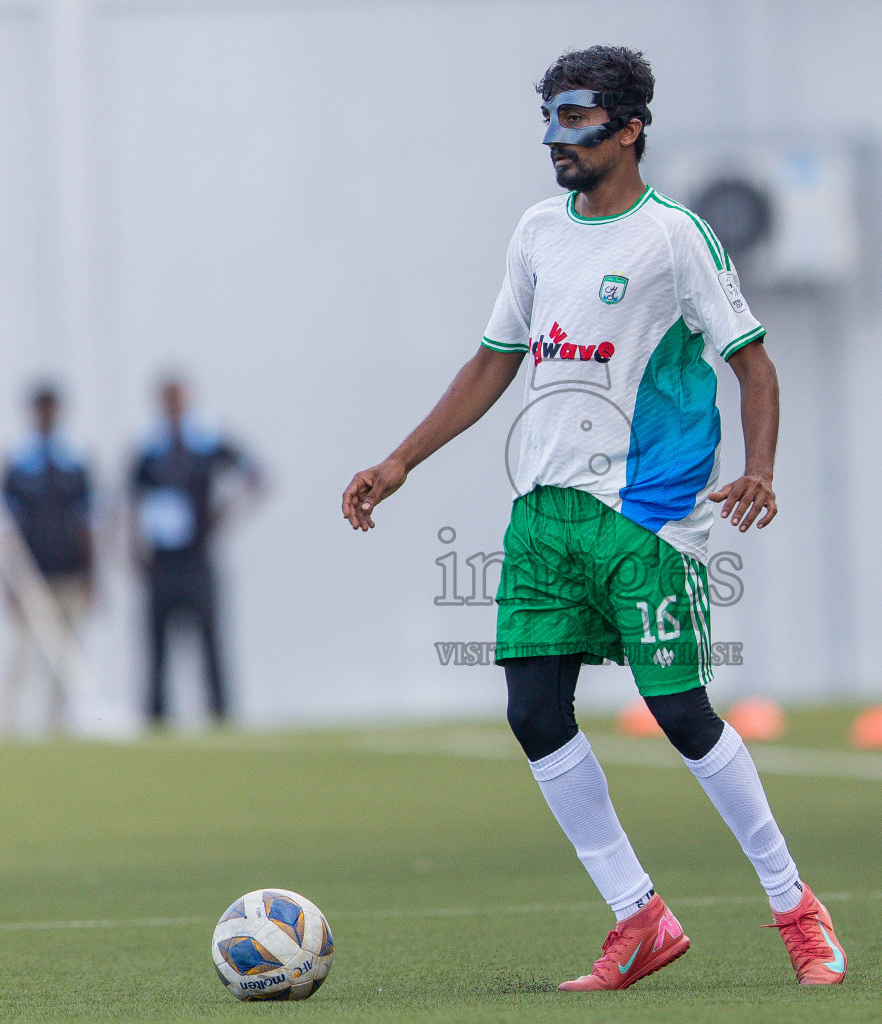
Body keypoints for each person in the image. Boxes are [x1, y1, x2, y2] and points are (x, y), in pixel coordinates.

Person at [342, 47, 845, 990]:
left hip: (647, 516)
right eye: (548, 120)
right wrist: (400, 459)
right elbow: (493, 361)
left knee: (683, 714)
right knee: (533, 713)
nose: (554, 141)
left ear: (629, 127)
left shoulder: (676, 238)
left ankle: (795, 909)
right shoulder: (537, 231)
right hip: (544, 515)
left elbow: (755, 363)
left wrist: (761, 467)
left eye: (574, 121)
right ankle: (638, 918)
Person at [130, 375, 264, 726]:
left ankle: (220, 716)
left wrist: (225, 514)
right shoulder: (149, 446)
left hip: (197, 558)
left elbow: (255, 473)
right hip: (160, 560)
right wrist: (134, 547)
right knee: (157, 647)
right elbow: (132, 499)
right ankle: (156, 720)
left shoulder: (206, 441)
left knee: (210, 643)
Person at [0, 382, 94, 735]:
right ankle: (7, 728)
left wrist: (90, 577)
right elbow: (4, 530)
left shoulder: (76, 461)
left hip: (68, 572)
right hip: (30, 576)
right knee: (21, 655)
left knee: (66, 656)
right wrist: (8, 580)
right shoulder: (17, 463)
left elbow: (87, 523)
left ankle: (56, 728)